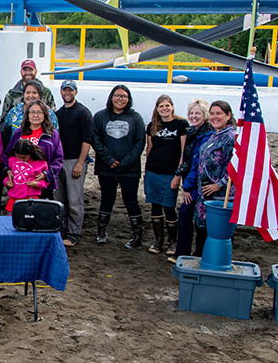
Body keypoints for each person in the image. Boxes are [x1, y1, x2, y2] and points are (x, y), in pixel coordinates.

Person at [92, 84, 146, 248]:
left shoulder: (135, 117)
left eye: (124, 96)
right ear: (111, 97)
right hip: (106, 167)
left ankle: (137, 235)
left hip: (129, 169)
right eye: (117, 95)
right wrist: (108, 159)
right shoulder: (100, 116)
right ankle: (101, 232)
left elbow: (140, 142)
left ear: (128, 99)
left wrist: (126, 161)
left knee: (130, 200)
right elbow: (96, 139)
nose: (120, 99)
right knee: (107, 199)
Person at [144, 94, 189, 255]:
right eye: (161, 106)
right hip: (153, 171)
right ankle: (158, 240)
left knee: (169, 206)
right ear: (157, 108)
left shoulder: (181, 124)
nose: (164, 108)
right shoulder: (152, 126)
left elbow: (184, 152)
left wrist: (178, 174)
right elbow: (149, 150)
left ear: (172, 107)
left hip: (170, 173)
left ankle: (173, 241)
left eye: (167, 105)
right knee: (155, 205)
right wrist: (146, 172)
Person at [191, 101, 237, 256]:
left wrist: (219, 184)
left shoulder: (231, 137)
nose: (214, 117)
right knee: (201, 229)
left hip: (221, 195)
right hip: (205, 192)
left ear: (228, 115)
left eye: (219, 113)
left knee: (217, 232)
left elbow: (235, 165)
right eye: (212, 113)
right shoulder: (214, 135)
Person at [170, 99, 212, 262]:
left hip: (198, 184)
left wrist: (187, 186)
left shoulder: (206, 134)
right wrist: (180, 173)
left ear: (205, 115)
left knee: (194, 217)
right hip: (190, 180)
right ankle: (184, 252)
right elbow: (187, 157)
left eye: (198, 113)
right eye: (191, 113)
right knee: (187, 216)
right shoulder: (193, 131)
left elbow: (197, 161)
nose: (194, 116)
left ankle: (196, 253)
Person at [53, 79, 93, 247]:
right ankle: (61, 230)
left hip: (75, 161)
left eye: (70, 90)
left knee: (75, 200)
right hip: (59, 161)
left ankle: (74, 233)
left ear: (75, 92)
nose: (67, 93)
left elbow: (87, 139)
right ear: (61, 92)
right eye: (64, 90)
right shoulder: (58, 114)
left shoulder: (83, 112)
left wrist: (80, 163)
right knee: (59, 199)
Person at [4, 100, 64, 200]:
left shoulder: (51, 134)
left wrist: (46, 174)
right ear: (27, 115)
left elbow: (58, 158)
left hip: (42, 185)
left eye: (39, 112)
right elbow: (8, 154)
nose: (35, 115)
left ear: (45, 114)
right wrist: (8, 169)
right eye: (32, 112)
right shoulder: (20, 132)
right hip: (20, 186)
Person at [2, 80, 59, 148]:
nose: (30, 96)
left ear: (40, 96)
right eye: (28, 92)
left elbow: (56, 141)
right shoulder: (14, 112)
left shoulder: (49, 113)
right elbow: (6, 136)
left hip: (43, 155)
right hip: (18, 155)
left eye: (34, 93)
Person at [3, 139, 48, 214]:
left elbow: (46, 181)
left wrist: (37, 184)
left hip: (31, 198)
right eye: (18, 157)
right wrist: (7, 182)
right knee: (11, 221)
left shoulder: (41, 163)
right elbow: (9, 177)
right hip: (14, 197)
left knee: (30, 220)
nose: (21, 159)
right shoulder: (12, 160)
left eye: (24, 157)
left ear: (31, 153)